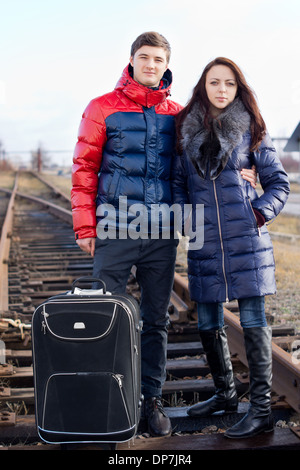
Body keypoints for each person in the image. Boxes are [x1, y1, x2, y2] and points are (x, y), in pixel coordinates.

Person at [71, 34, 257, 438]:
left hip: (160, 231)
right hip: (114, 228)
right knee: (107, 317)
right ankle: (107, 398)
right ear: (132, 60)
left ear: (166, 64)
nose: (151, 64)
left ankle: (150, 399)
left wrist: (249, 169)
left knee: (155, 321)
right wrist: (85, 225)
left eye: (158, 59)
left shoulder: (178, 113)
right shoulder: (102, 107)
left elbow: (204, 158)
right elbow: (84, 167)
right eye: (144, 57)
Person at [172, 57, 290, 439]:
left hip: (246, 242)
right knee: (207, 320)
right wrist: (186, 221)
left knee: (253, 321)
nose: (222, 90)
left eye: (230, 84)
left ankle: (258, 411)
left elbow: (279, 185)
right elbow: (178, 185)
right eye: (214, 83)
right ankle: (224, 395)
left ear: (238, 89)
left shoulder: (252, 129)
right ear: (202, 87)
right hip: (204, 241)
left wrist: (256, 214)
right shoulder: (185, 131)